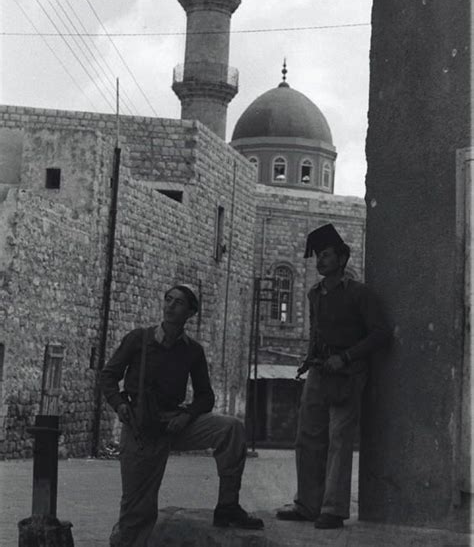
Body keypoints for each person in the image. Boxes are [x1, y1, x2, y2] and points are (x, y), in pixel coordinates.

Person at [101, 283, 264, 547]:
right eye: (168, 299)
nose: (170, 306)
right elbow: (109, 376)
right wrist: (120, 405)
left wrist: (186, 416)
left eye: (178, 302)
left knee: (231, 429)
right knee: (137, 508)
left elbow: (206, 396)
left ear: (190, 313)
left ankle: (227, 506)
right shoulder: (138, 339)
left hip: (175, 424)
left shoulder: (192, 350)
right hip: (141, 429)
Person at [276, 224, 391, 530]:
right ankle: (307, 505)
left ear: (341, 259)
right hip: (319, 371)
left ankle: (333, 509)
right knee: (307, 437)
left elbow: (381, 333)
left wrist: (347, 357)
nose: (320, 261)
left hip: (349, 375)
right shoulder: (315, 294)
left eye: (326, 255)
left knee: (339, 441)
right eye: (317, 256)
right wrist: (308, 360)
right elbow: (317, 333)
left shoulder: (360, 294)